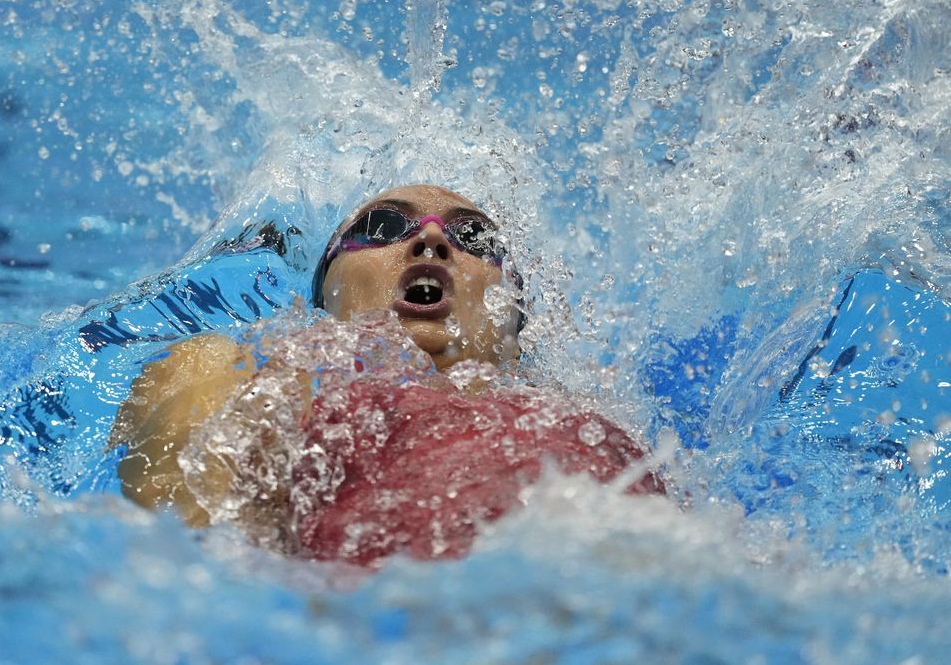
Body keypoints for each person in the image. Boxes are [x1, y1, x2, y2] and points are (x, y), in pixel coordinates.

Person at [110, 184, 664, 566]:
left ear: (513, 331)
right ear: (324, 295)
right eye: (382, 226)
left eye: (476, 239)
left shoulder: (592, 409)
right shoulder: (249, 370)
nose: (432, 240)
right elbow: (190, 546)